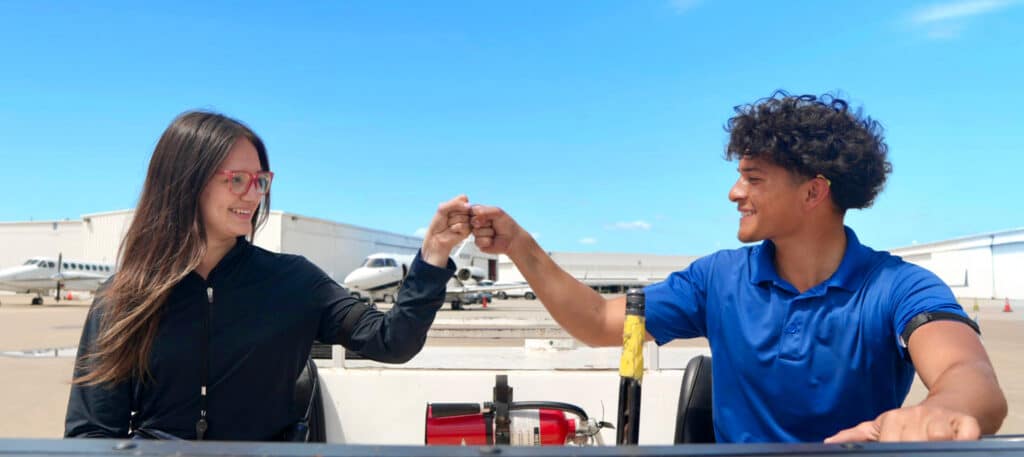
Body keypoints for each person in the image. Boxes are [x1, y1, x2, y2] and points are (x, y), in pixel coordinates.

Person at [468, 92, 1007, 443]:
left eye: (754, 177)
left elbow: (970, 379)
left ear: (814, 191)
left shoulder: (898, 287)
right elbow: (598, 322)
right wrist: (521, 245)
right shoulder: (717, 279)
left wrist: (940, 412)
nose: (734, 192)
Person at [65, 111, 472, 441]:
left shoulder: (294, 281)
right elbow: (92, 432)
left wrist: (433, 256)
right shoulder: (124, 297)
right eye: (237, 180)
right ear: (185, 183)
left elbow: (392, 341)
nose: (253, 194)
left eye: (260, 180)